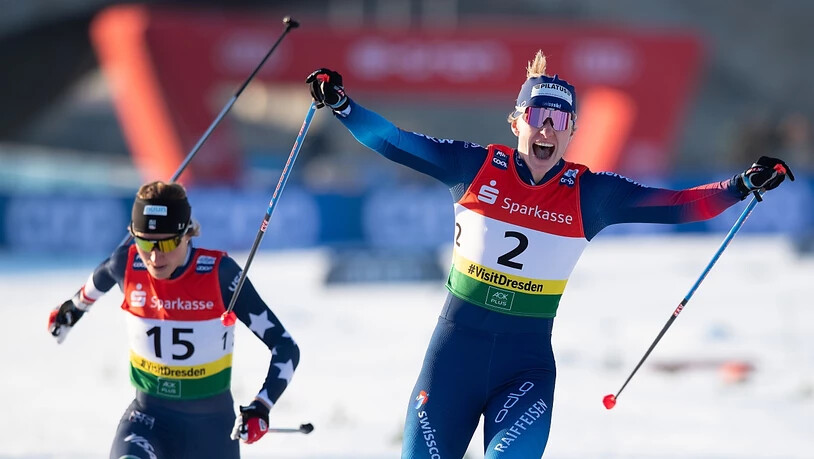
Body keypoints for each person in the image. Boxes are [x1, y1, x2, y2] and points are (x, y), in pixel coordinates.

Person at [305, 51, 794, 458]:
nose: (547, 130)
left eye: (559, 121)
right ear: (517, 120)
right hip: (453, 359)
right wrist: (343, 105)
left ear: (572, 130)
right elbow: (394, 142)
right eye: (538, 116)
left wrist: (741, 184)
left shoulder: (590, 194)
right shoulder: (473, 167)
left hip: (525, 369)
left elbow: (678, 206)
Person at [47, 181, 300, 459]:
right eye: (144, 242)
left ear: (187, 234)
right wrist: (73, 309)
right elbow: (98, 281)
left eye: (167, 242)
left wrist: (261, 405)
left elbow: (285, 346)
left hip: (211, 433)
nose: (155, 256)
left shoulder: (220, 275)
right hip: (147, 420)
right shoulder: (127, 264)